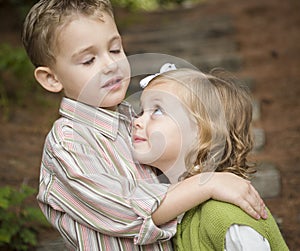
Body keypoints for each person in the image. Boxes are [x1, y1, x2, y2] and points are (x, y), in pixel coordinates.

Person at [22, 1, 267, 250]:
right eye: (88, 60)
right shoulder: (69, 144)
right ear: (51, 78)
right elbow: (123, 211)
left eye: (115, 50)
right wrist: (208, 183)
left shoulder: (133, 119)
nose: (111, 65)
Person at [132, 66, 289, 250]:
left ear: (203, 133)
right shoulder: (179, 210)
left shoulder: (223, 214)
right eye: (142, 111)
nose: (137, 121)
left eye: (157, 111)